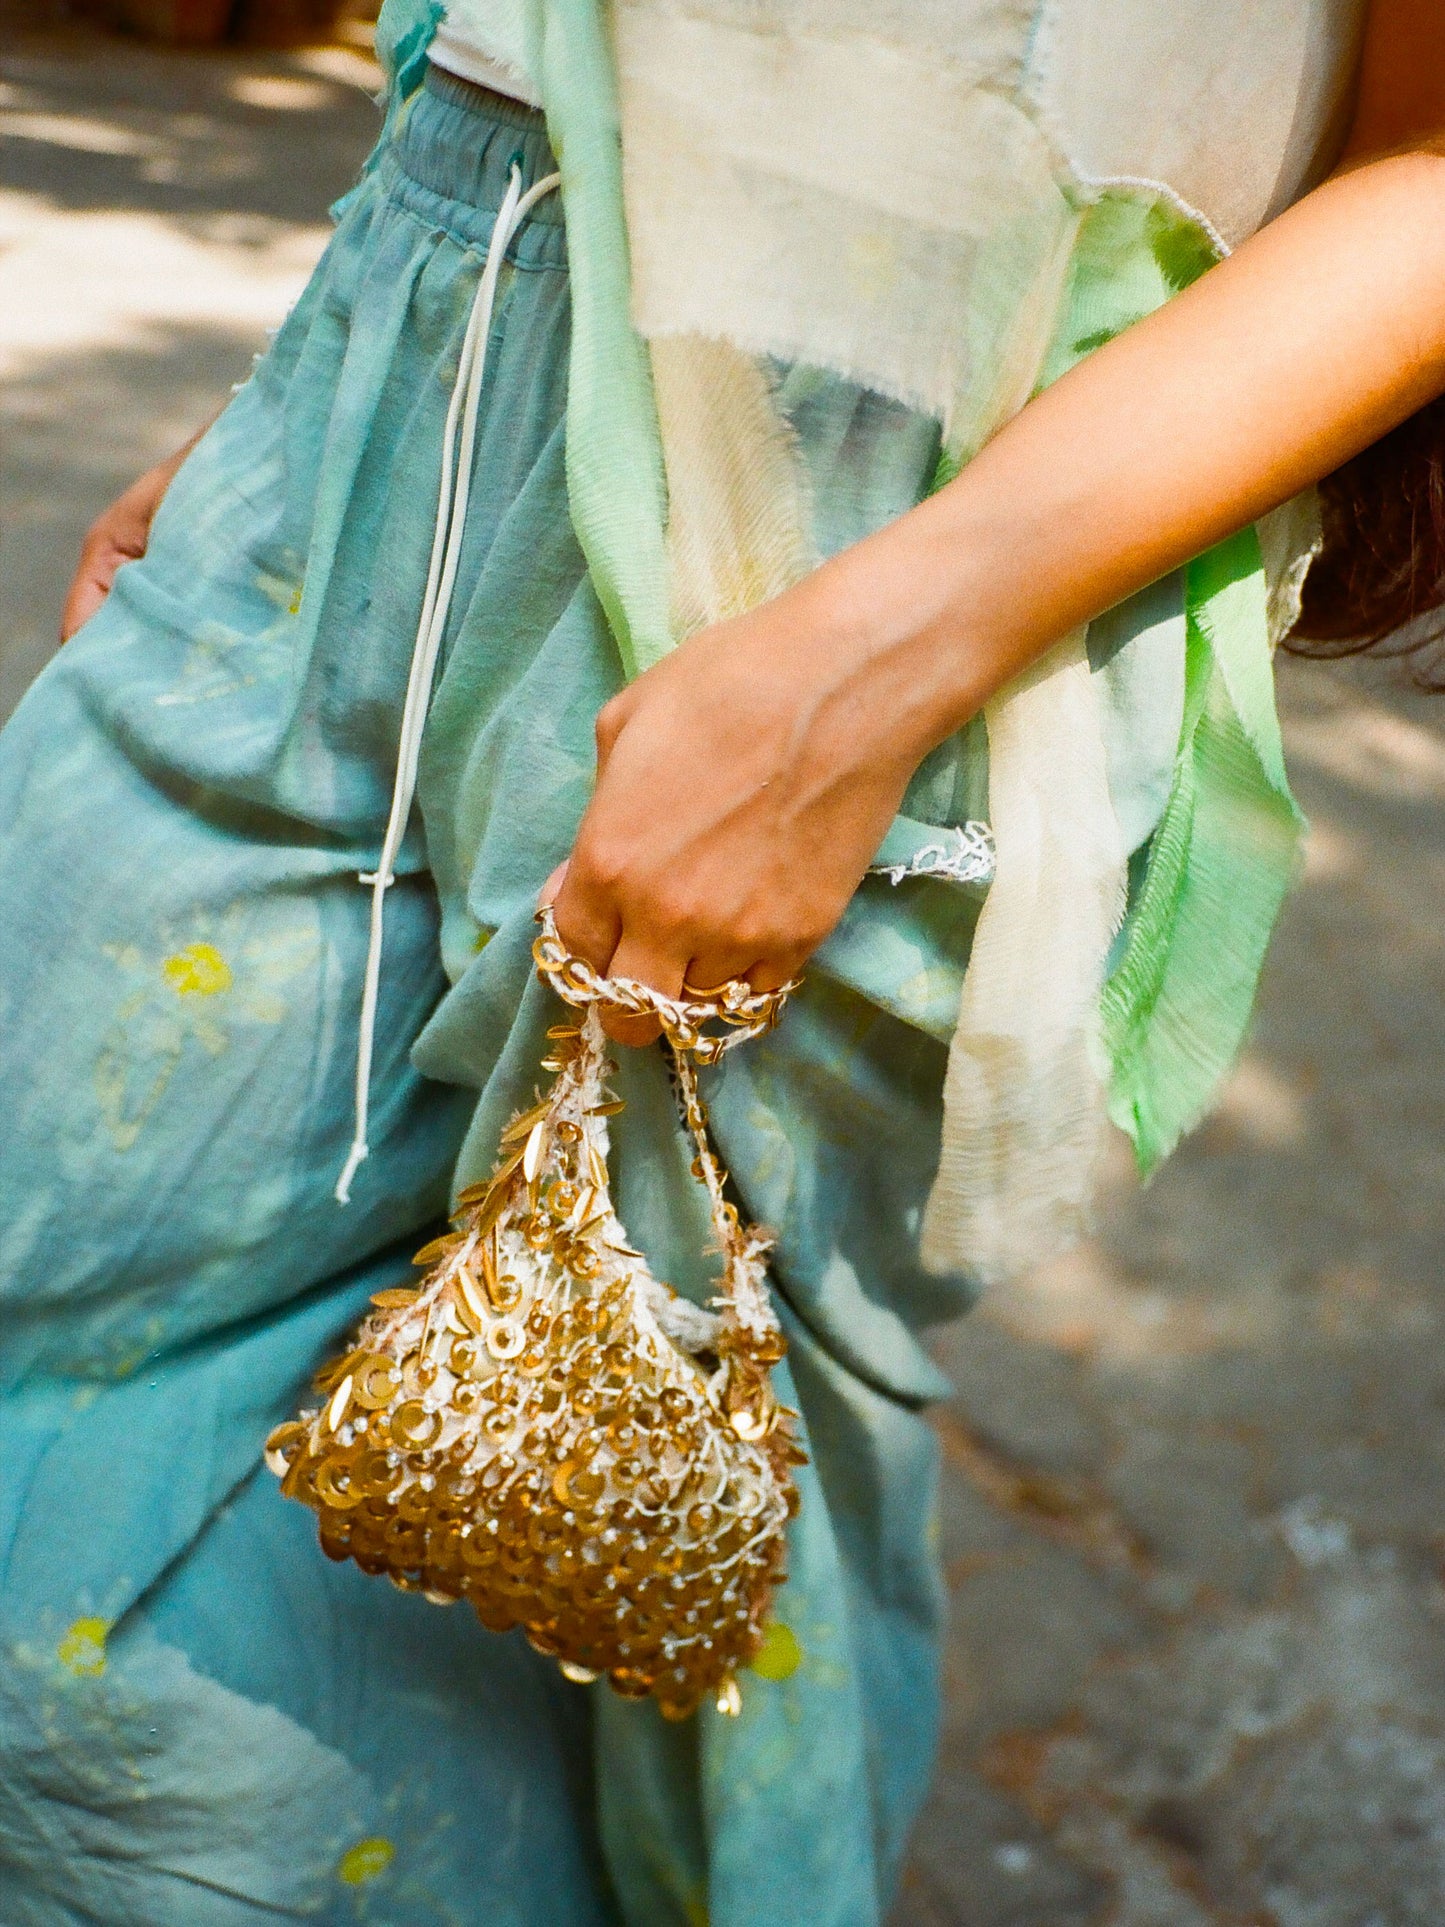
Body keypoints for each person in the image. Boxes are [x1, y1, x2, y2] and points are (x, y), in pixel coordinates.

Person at [2, 0, 1443, 1920]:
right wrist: (350, 373)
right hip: (392, 380)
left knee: (638, 1588)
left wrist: (861, 675)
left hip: (881, 537)